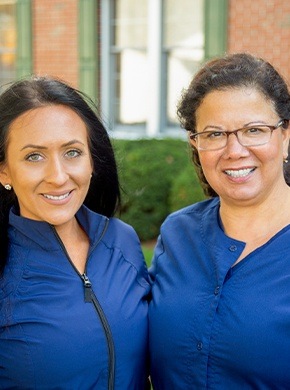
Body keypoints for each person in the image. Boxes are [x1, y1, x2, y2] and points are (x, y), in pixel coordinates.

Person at [148, 52, 290, 389]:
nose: (234, 150)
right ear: (195, 144)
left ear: (285, 136)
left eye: (254, 130)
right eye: (214, 134)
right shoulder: (177, 234)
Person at [0, 76, 150, 389]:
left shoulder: (122, 241)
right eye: (34, 156)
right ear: (4, 171)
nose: (58, 176)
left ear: (92, 160)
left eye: (72, 152)